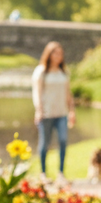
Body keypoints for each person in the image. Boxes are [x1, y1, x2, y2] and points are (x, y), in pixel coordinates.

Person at [31, 42, 75, 185]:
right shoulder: (41, 72)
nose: (58, 57)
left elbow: (68, 93)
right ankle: (43, 173)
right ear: (49, 55)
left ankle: (61, 173)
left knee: (63, 141)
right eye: (55, 53)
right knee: (45, 144)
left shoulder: (64, 72)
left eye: (60, 54)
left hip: (61, 113)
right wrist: (39, 110)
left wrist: (72, 111)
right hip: (46, 113)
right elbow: (37, 93)